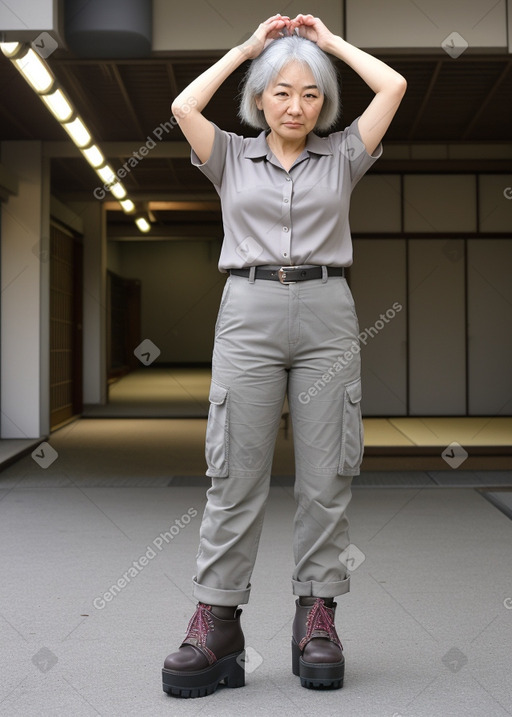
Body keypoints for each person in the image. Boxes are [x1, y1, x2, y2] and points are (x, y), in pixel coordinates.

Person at [162, 13, 407, 698]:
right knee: (234, 469)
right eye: (281, 91)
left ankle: (316, 615)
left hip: (329, 312)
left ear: (324, 103)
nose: (296, 105)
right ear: (259, 97)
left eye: (311, 94)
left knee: (327, 470)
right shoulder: (230, 156)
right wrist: (249, 48)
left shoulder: (346, 154)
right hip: (247, 310)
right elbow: (183, 105)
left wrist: (327, 45)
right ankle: (218, 620)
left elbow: (394, 85)